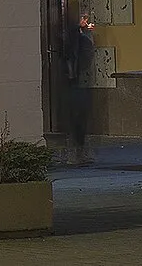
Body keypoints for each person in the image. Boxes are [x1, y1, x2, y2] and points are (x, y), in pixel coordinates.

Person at [62, 10, 96, 166]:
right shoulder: (74, 37)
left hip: (77, 80)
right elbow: (83, 55)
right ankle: (75, 153)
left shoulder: (78, 36)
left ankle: (79, 152)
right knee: (76, 118)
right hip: (75, 81)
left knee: (79, 118)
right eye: (83, 18)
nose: (86, 20)